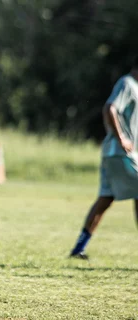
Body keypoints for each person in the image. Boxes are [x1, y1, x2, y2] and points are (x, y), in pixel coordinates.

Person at [69, 56, 138, 259]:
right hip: (121, 154)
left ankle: (79, 248)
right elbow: (110, 108)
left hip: (113, 153)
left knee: (106, 199)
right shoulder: (128, 83)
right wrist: (122, 138)